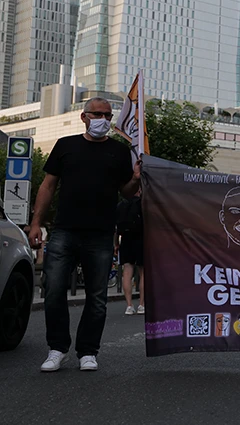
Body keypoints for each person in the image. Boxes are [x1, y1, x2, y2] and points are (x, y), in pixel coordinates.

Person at [28, 97, 140, 372]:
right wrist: (35, 223)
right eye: (97, 114)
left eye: (107, 115)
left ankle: (88, 351)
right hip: (64, 230)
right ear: (84, 117)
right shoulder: (66, 145)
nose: (102, 119)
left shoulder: (119, 151)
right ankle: (57, 348)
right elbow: (48, 185)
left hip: (101, 233)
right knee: (53, 290)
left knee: (97, 296)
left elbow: (125, 192)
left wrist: (136, 178)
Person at [116, 190, 144, 315]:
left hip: (126, 240)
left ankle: (129, 305)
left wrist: (116, 243)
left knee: (127, 272)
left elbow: (116, 228)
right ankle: (142, 305)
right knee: (143, 273)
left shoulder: (121, 205)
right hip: (141, 239)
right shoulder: (143, 204)